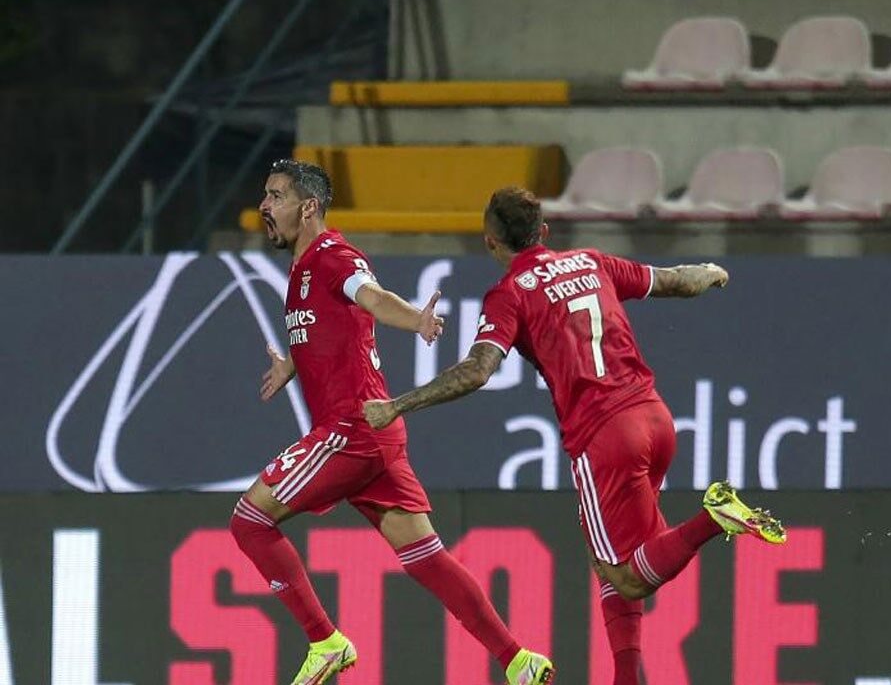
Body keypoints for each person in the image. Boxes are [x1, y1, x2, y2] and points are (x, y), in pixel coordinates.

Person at [364, 186, 786, 685]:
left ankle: (713, 520)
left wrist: (397, 404)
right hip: (655, 418)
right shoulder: (589, 262)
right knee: (610, 555)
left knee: (626, 575)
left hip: (605, 436)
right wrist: (711, 272)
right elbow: (676, 281)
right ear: (543, 232)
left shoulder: (509, 294)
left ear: (490, 244)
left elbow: (478, 371)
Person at [232, 160, 554, 685]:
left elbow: (372, 298)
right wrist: (295, 363)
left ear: (307, 206)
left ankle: (325, 641)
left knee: (249, 520)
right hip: (378, 434)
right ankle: (518, 660)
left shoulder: (334, 256)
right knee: (428, 557)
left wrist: (416, 320)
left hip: (349, 432)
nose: (265, 207)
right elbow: (338, 328)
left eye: (276, 196)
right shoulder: (303, 265)